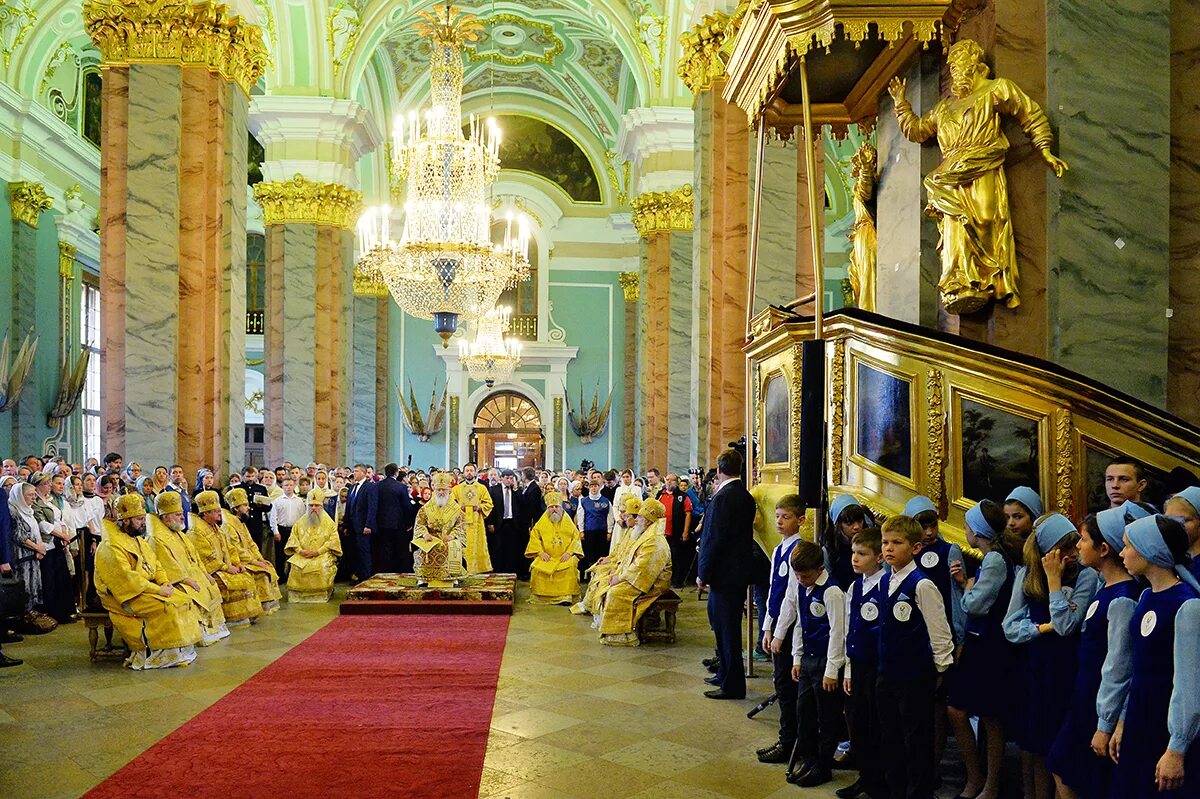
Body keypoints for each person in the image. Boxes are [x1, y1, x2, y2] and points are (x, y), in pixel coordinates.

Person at [1045, 504, 1143, 799]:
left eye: (1084, 539)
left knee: (1073, 771)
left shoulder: (1122, 600)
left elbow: (1119, 665)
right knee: (1062, 765)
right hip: (1085, 694)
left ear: (1103, 549)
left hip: (1099, 703)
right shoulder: (1105, 587)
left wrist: (1106, 722)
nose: (1077, 545)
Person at [1002, 513, 1099, 799]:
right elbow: (1010, 627)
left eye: (1075, 546)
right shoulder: (1027, 574)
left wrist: (1055, 583)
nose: (1072, 554)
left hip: (1066, 667)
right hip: (1035, 666)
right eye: (1065, 548)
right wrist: (1043, 628)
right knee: (1033, 745)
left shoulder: (1086, 575)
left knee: (1058, 748)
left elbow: (1067, 625)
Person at [1104, 515, 1200, 798]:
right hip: (1139, 719)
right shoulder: (1146, 596)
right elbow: (1136, 668)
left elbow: (1188, 684)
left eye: (1127, 546)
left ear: (1149, 550)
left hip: (1164, 727)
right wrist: (1122, 719)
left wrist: (1177, 748)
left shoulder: (1187, 606)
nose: (1121, 553)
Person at [876, 514, 954, 799]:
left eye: (897, 543)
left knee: (916, 738)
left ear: (915, 548)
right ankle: (896, 789)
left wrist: (941, 669)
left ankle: (918, 792)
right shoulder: (885, 581)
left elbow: (939, 630)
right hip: (887, 672)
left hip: (914, 675)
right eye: (885, 542)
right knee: (891, 737)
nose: (888, 548)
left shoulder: (922, 585)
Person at [947, 500, 1020, 799]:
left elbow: (976, 604)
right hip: (985, 641)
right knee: (975, 713)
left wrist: (967, 589)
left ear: (977, 531)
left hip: (989, 644)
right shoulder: (995, 557)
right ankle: (980, 778)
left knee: (987, 716)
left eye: (966, 526)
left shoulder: (994, 560)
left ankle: (987, 781)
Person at [94, 494, 201, 670]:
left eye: (143, 518)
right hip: (122, 595)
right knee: (168, 607)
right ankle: (155, 654)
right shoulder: (110, 545)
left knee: (183, 600)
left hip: (144, 588)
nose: (143, 523)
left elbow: (155, 564)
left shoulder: (137, 538)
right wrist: (158, 591)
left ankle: (177, 651)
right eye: (139, 519)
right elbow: (127, 579)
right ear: (125, 521)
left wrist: (164, 582)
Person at [775, 538, 846, 788]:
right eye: (797, 575)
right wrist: (796, 657)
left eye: (805, 576)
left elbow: (839, 632)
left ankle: (823, 765)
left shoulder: (832, 592)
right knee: (803, 711)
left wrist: (832, 670)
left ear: (820, 569)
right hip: (807, 660)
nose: (800, 580)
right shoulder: (801, 585)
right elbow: (801, 624)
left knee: (825, 717)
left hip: (826, 661)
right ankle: (809, 757)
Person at [696, 448, 756, 701]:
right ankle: (724, 673)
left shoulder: (723, 498)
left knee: (727, 630)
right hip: (736, 571)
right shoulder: (744, 495)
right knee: (721, 626)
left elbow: (713, 539)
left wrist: (703, 573)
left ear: (719, 470)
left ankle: (732, 685)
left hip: (724, 574)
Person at [756, 494, 807, 765]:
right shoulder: (779, 550)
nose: (779, 521)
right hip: (776, 625)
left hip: (790, 629)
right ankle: (786, 737)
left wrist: (778, 633)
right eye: (777, 516)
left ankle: (790, 742)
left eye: (785, 517)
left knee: (787, 687)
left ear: (800, 520)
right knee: (781, 683)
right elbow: (774, 593)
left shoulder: (800, 550)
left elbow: (792, 598)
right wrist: (766, 628)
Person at [149, 490, 229, 647]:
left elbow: (195, 557)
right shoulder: (157, 538)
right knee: (196, 592)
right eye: (177, 514)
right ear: (165, 517)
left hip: (195, 575)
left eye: (181, 513)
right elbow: (168, 566)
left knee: (211, 586)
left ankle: (212, 630)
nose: (182, 517)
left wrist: (206, 574)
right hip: (178, 581)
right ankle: (200, 633)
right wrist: (187, 580)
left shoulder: (179, 533)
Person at [840, 528, 885, 799]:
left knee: (877, 725)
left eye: (862, 554)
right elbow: (848, 629)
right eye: (853, 553)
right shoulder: (855, 587)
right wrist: (846, 669)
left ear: (879, 557)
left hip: (878, 666)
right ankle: (865, 777)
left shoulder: (886, 585)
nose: (855, 559)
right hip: (857, 664)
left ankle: (880, 783)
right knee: (857, 724)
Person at [597, 498, 671, 646]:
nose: (637, 520)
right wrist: (619, 574)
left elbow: (643, 568)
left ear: (649, 521)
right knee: (607, 583)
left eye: (640, 517)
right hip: (640, 577)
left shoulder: (654, 540)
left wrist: (620, 578)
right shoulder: (645, 534)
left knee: (615, 592)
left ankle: (622, 634)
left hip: (653, 582)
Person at [188, 490, 262, 626]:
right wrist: (227, 567)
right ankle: (233, 618)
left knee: (246, 577)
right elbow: (206, 557)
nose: (220, 513)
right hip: (212, 571)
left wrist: (237, 563)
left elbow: (230, 548)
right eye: (215, 511)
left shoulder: (216, 527)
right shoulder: (196, 531)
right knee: (235, 583)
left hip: (226, 567)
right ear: (206, 513)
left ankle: (247, 615)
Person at [223, 488, 282, 614]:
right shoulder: (228, 524)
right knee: (262, 573)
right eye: (245, 505)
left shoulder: (241, 521)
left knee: (268, 567)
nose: (248, 508)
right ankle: (258, 608)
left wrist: (261, 559)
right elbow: (236, 549)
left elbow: (251, 544)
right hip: (238, 561)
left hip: (249, 559)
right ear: (236, 508)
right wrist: (255, 562)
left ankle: (265, 606)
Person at [284, 489, 342, 602]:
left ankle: (321, 595)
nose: (314, 508)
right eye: (311, 505)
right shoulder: (300, 522)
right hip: (303, 554)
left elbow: (333, 541)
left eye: (317, 505)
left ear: (322, 506)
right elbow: (293, 539)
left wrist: (317, 552)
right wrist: (300, 551)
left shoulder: (329, 523)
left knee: (321, 566)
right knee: (296, 567)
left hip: (321, 554)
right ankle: (297, 596)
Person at [525, 491, 583, 605]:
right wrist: (540, 553)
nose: (554, 509)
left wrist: (569, 553)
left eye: (557, 506)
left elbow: (576, 538)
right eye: (551, 507)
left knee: (570, 566)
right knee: (536, 568)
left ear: (561, 508)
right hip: (547, 557)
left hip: (564, 557)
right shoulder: (541, 522)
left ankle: (566, 596)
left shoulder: (568, 521)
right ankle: (541, 596)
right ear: (547, 508)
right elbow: (534, 538)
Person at [412, 473, 466, 583]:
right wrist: (425, 534)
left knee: (453, 546)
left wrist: (452, 535)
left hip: (448, 539)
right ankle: (424, 578)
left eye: (444, 490)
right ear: (434, 490)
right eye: (438, 490)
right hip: (430, 539)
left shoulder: (456, 508)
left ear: (449, 490)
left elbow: (461, 525)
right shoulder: (426, 508)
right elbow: (420, 524)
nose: (441, 492)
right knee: (421, 548)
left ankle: (451, 576)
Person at [366, 463, 416, 574]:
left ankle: (383, 573)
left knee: (383, 551)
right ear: (396, 473)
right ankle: (398, 572)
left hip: (380, 525)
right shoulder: (401, 487)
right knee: (398, 550)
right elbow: (407, 507)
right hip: (398, 525)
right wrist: (408, 523)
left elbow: (373, 506)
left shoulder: (376, 486)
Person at [450, 463, 493, 575]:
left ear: (475, 472)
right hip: (461, 523)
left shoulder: (482, 488)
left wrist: (479, 507)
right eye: (467, 470)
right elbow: (451, 504)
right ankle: (461, 569)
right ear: (463, 473)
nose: (469, 473)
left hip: (476, 522)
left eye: (471, 470)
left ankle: (477, 569)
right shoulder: (457, 489)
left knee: (477, 545)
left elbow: (489, 504)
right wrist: (459, 507)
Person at [826, 494, 869, 589]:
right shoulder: (828, 550)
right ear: (838, 524)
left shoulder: (872, 544)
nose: (857, 527)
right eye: (850, 523)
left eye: (860, 521)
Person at [661, 473, 695, 589]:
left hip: (676, 532)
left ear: (676, 482)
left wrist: (685, 531)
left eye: (671, 480)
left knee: (677, 557)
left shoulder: (683, 496)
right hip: (663, 533)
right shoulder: (660, 495)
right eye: (667, 480)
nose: (669, 482)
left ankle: (677, 580)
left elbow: (688, 513)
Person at [575, 475, 613, 577]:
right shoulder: (583, 501)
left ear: (599, 487)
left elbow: (610, 517)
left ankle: (599, 574)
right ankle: (586, 575)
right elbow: (580, 516)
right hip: (589, 532)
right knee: (588, 554)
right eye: (591, 486)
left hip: (602, 532)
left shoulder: (606, 501)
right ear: (589, 488)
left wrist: (609, 531)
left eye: (596, 486)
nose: (594, 488)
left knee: (600, 554)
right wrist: (581, 530)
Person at [267, 476, 305, 578]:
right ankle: (280, 575)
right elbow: (273, 518)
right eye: (286, 485)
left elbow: (302, 517)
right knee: (280, 555)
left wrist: (300, 532)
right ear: (282, 486)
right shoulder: (277, 501)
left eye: (290, 485)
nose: (288, 487)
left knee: (294, 554)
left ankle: (292, 575)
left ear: (294, 486)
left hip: (294, 531)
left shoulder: (299, 501)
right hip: (281, 530)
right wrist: (275, 532)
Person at [486, 470, 520, 575]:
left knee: (511, 547)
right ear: (502, 478)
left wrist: (516, 489)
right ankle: (498, 570)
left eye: (511, 478)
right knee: (498, 547)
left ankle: (510, 570)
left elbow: (522, 504)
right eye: (507, 478)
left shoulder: (516, 491)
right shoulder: (493, 490)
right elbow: (490, 508)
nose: (509, 480)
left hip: (512, 523)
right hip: (498, 523)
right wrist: (490, 523)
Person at [346, 464, 376, 579]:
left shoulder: (370, 487)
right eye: (354, 471)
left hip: (363, 526)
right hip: (353, 526)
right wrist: (346, 525)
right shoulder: (352, 487)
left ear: (364, 473)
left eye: (357, 471)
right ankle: (357, 574)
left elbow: (372, 508)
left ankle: (365, 576)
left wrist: (368, 525)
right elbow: (349, 507)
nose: (355, 473)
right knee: (355, 552)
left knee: (364, 552)